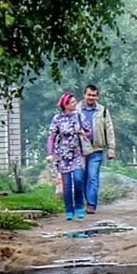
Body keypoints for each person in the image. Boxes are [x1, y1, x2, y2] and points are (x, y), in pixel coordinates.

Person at [46, 92, 92, 220]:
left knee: (78, 179)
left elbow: (89, 131)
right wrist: (50, 153)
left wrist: (84, 134)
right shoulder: (57, 119)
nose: (75, 104)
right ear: (65, 105)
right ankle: (69, 210)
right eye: (72, 102)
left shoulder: (79, 116)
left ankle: (79, 206)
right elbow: (52, 136)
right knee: (67, 184)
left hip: (77, 153)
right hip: (63, 155)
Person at [79, 83, 116, 216]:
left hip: (96, 149)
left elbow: (109, 130)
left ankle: (91, 204)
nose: (91, 97)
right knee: (81, 178)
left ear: (97, 97)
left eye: (94, 95)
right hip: (80, 151)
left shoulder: (103, 111)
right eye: (89, 95)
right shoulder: (76, 109)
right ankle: (85, 200)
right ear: (84, 95)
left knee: (93, 176)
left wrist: (111, 148)